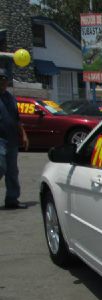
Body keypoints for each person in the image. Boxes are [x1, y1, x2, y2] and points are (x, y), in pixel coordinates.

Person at [0, 67, 29, 209]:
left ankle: (12, 200)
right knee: (1, 166)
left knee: (12, 171)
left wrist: (23, 134)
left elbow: (17, 119)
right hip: (0, 140)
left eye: (5, 79)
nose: (3, 82)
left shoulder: (10, 98)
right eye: (0, 79)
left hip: (12, 140)